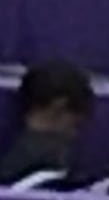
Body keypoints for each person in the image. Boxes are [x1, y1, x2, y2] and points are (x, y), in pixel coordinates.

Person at [0, 58, 95, 189]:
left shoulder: (12, 162)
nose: (73, 136)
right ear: (58, 107)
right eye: (75, 126)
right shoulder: (51, 169)